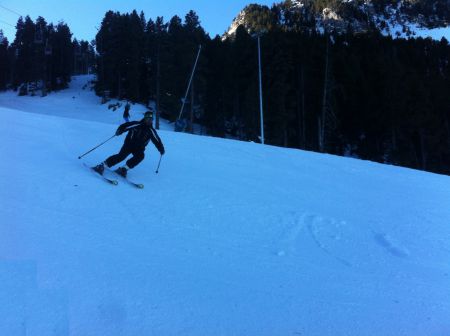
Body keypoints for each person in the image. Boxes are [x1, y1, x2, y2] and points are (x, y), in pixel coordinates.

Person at [93, 111, 165, 177]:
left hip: (139, 148)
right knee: (121, 157)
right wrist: (120, 130)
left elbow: (157, 140)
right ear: (145, 118)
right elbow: (125, 126)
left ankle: (124, 169)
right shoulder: (136, 124)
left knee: (140, 156)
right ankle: (102, 165)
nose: (149, 120)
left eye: (151, 119)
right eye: (148, 118)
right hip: (129, 145)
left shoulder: (151, 131)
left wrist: (161, 149)